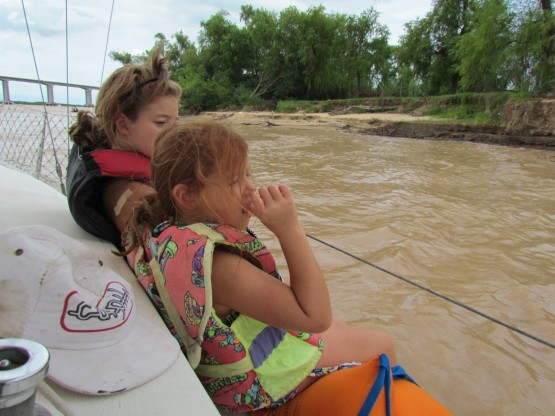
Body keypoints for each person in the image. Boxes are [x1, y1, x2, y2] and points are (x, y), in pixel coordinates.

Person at [123, 122, 397, 414]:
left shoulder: (168, 231)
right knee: (382, 342)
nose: (251, 188)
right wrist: (289, 228)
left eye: (248, 174)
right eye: (235, 181)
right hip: (262, 385)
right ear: (186, 196)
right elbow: (316, 316)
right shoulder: (221, 267)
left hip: (233, 365)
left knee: (340, 326)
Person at [66, 43, 182, 249]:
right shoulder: (125, 190)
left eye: (176, 122)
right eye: (161, 123)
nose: (173, 132)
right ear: (123, 124)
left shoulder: (104, 153)